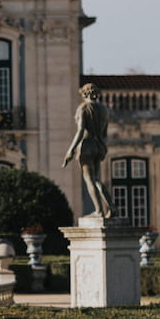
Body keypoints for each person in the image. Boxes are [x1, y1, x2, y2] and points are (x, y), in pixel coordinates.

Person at [62, 83, 114, 218]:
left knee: (89, 179)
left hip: (86, 146)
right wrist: (103, 146)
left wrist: (71, 150)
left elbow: (80, 131)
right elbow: (105, 133)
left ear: (84, 94)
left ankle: (99, 211)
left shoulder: (83, 108)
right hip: (99, 146)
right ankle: (112, 207)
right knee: (97, 180)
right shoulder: (104, 110)